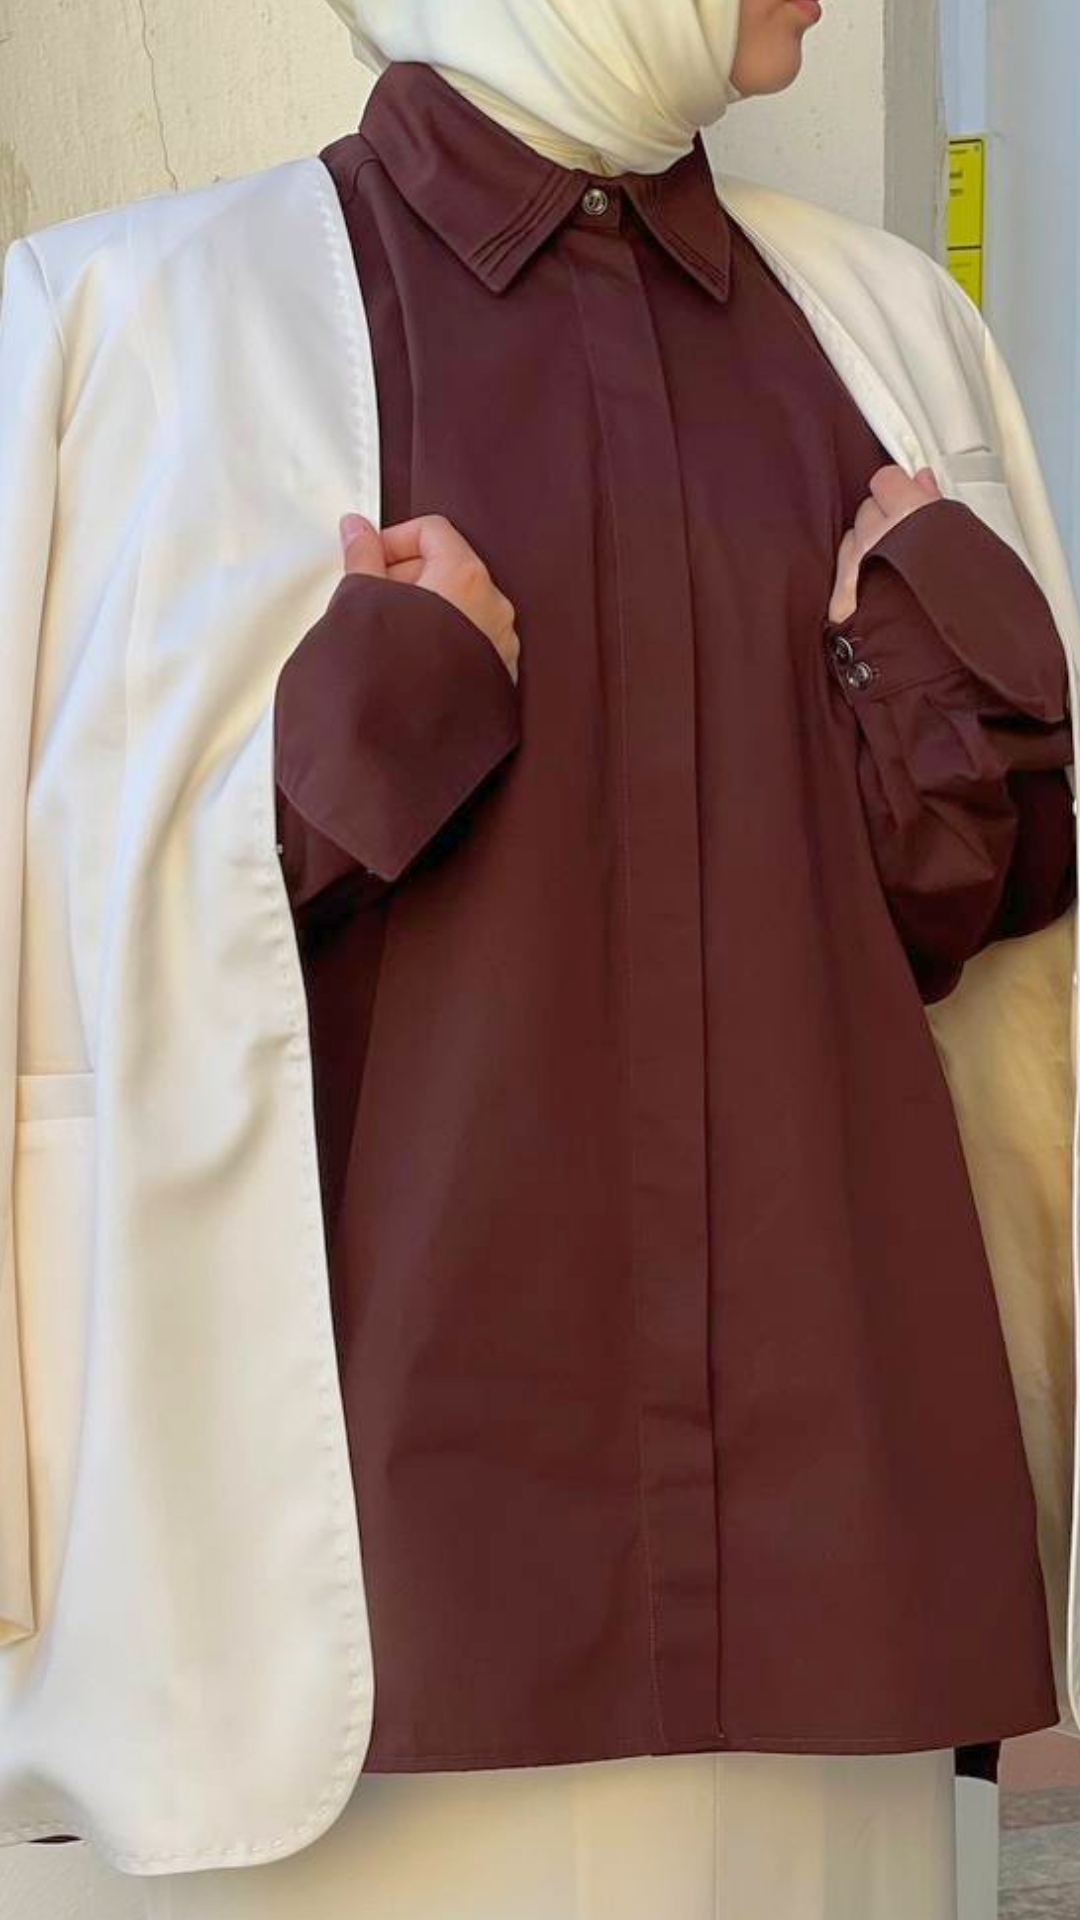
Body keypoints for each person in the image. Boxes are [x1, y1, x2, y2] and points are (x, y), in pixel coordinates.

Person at [0, 3, 1076, 1916]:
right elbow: (58, 962)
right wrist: (366, 731)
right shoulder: (126, 325)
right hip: (348, 1652)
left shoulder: (895, 332)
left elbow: (986, 952)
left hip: (838, 1603)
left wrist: (939, 689)